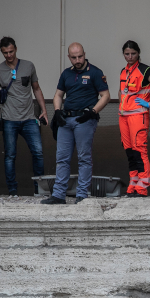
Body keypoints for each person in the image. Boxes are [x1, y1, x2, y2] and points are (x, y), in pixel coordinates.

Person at [42, 43, 110, 205]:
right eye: (74, 57)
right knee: (62, 158)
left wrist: (93, 112)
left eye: (80, 56)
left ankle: (81, 195)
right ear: (69, 57)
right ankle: (59, 195)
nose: (78, 60)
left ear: (84, 54)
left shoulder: (95, 72)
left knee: (84, 157)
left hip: (84, 119)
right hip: (66, 119)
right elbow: (58, 94)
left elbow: (106, 95)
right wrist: (57, 111)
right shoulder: (66, 73)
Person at [0, 37, 48, 197]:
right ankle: (12, 191)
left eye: (11, 51)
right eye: (5, 53)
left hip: (29, 118)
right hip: (9, 118)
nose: (9, 55)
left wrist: (44, 110)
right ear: (2, 52)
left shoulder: (28, 65)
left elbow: (36, 89)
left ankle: (39, 190)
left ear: (16, 49)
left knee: (38, 152)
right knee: (10, 155)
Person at [118, 40, 150, 197]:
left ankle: (142, 187)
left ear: (138, 53)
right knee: (130, 151)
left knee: (140, 150)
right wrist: (123, 104)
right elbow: (121, 92)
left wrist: (149, 103)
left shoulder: (145, 70)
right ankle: (133, 184)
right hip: (124, 115)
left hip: (138, 115)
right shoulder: (123, 71)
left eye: (133, 53)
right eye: (127, 54)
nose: (130, 57)